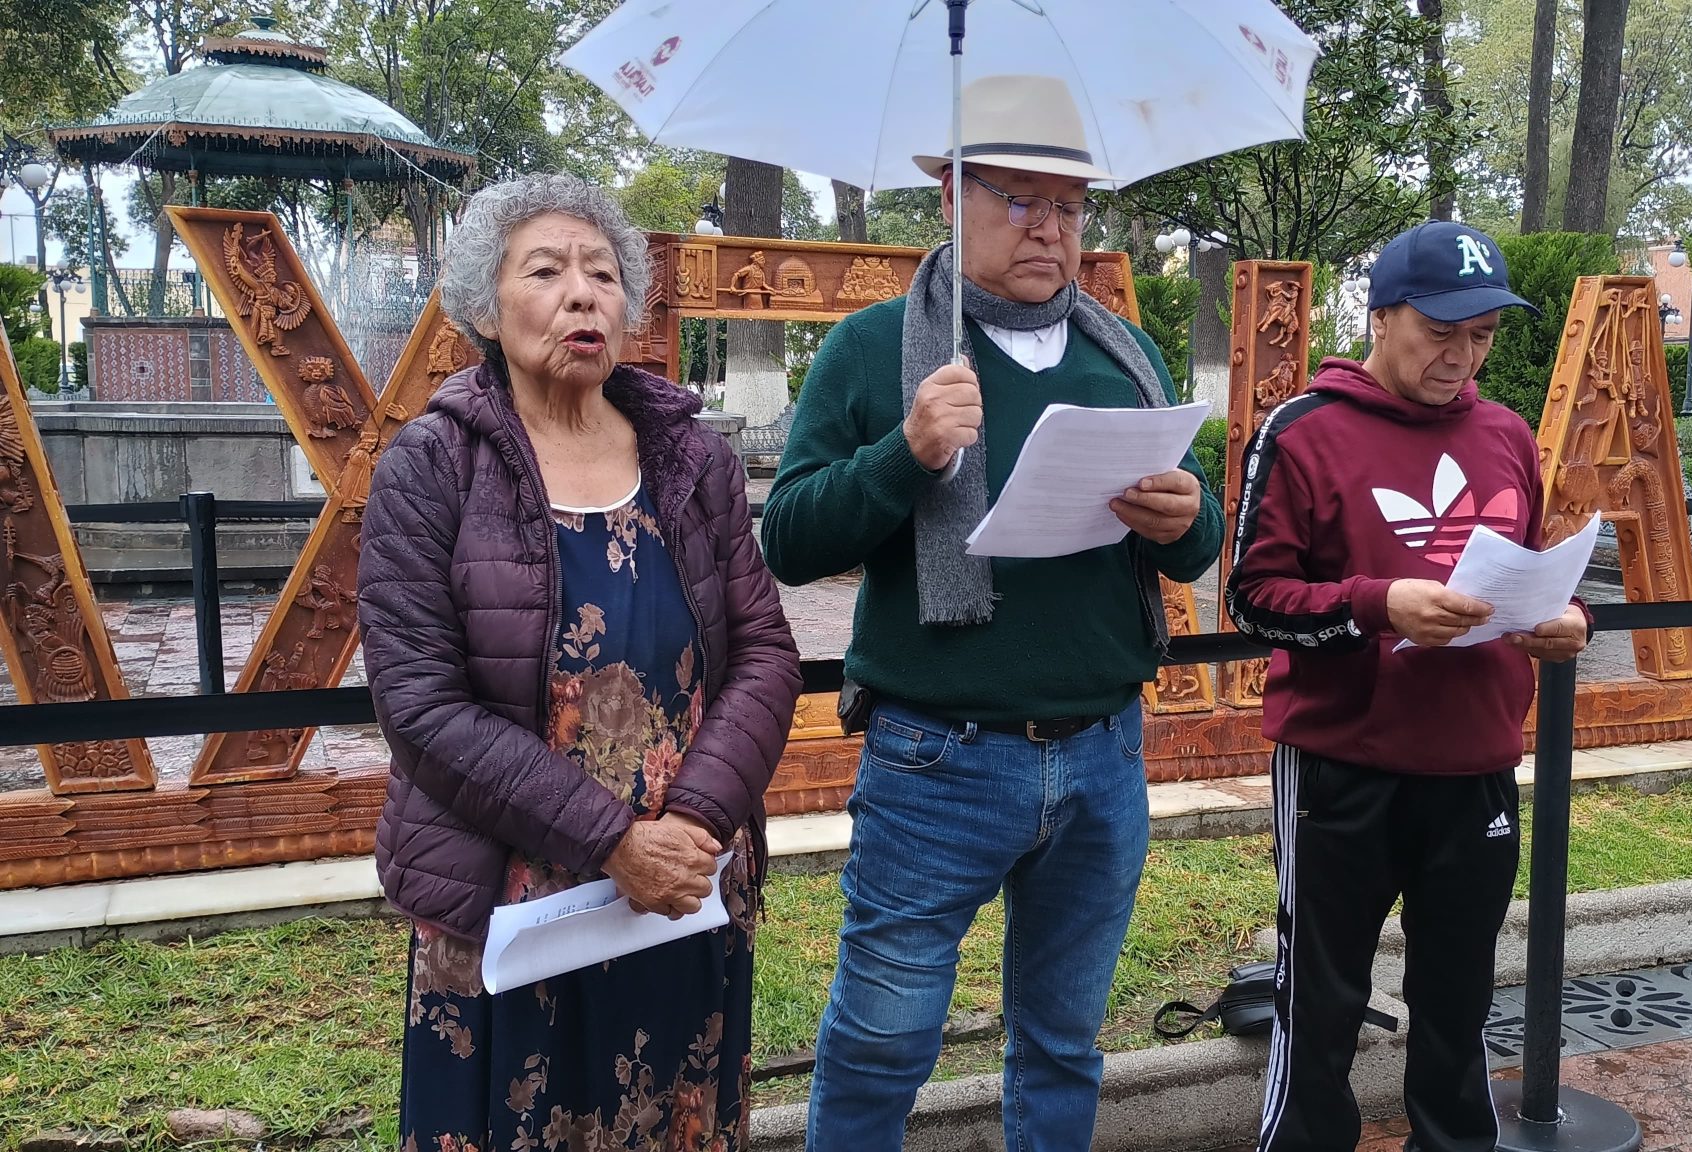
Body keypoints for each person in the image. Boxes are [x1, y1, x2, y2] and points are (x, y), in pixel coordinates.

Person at [762, 73, 1225, 1152]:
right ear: (950, 199)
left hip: (1103, 752)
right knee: (881, 1037)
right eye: (1016, 199)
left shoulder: (1124, 355)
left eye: (1066, 207)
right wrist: (907, 451)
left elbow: (1196, 549)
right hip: (936, 761)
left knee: (1063, 1038)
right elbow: (788, 540)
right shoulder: (877, 349)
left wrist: (1186, 515)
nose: (1046, 228)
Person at [358, 173, 801, 1151]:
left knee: (673, 1115)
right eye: (546, 270)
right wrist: (613, 842)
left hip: (681, 884)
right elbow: (421, 708)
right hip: (511, 905)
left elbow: (765, 654)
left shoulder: (695, 461)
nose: (581, 294)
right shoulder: (433, 468)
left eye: (602, 273)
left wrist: (688, 825)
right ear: (485, 303)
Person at [1226, 220, 1591, 1152]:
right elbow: (1252, 599)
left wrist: (1565, 619)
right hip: (1342, 766)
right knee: (1322, 1000)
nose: (1460, 357)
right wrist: (1381, 606)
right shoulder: (1304, 432)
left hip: (1473, 763)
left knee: (1458, 1000)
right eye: (1441, 331)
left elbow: (1534, 564)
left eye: (1483, 336)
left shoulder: (1508, 435)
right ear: (1381, 316)